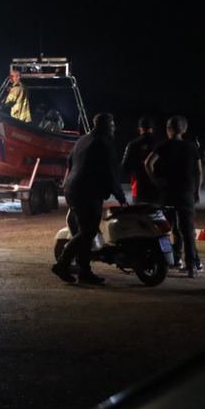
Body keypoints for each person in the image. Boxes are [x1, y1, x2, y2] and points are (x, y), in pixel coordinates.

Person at [53, 113, 127, 285]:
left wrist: (69, 181)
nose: (114, 128)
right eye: (112, 125)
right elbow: (110, 173)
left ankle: (84, 271)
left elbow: (69, 161)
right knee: (88, 231)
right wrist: (121, 197)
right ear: (106, 126)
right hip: (86, 192)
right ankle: (62, 264)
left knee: (85, 231)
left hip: (73, 188)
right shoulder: (103, 143)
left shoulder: (83, 139)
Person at [146, 115, 203, 277]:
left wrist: (156, 181)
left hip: (167, 193)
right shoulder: (192, 147)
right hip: (186, 193)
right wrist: (197, 191)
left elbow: (148, 163)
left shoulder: (163, 146)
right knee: (188, 231)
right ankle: (191, 266)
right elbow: (199, 172)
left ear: (168, 129)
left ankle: (164, 260)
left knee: (163, 229)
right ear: (184, 130)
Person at [120, 117, 160, 204]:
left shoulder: (132, 144)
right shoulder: (160, 144)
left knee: (139, 214)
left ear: (139, 129)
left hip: (138, 186)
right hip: (157, 186)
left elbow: (124, 167)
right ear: (152, 129)